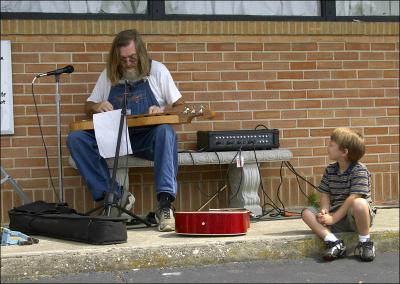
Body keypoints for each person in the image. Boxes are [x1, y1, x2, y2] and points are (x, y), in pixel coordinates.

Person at [67, 29, 184, 232]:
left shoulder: (157, 71)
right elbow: (88, 105)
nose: (128, 63)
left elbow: (181, 106)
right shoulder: (109, 74)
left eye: (132, 58)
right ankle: (115, 196)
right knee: (76, 139)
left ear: (141, 53)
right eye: (123, 60)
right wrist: (97, 106)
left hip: (148, 139)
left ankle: (165, 205)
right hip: (116, 139)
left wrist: (163, 110)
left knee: (166, 132)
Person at [302, 127, 377, 261]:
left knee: (359, 203)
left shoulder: (359, 170)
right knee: (306, 213)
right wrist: (325, 211)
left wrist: (333, 218)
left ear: (344, 152)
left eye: (331, 145)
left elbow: (353, 197)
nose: (328, 147)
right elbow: (325, 192)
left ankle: (365, 243)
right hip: (335, 216)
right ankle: (334, 242)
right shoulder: (330, 169)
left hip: (355, 217)